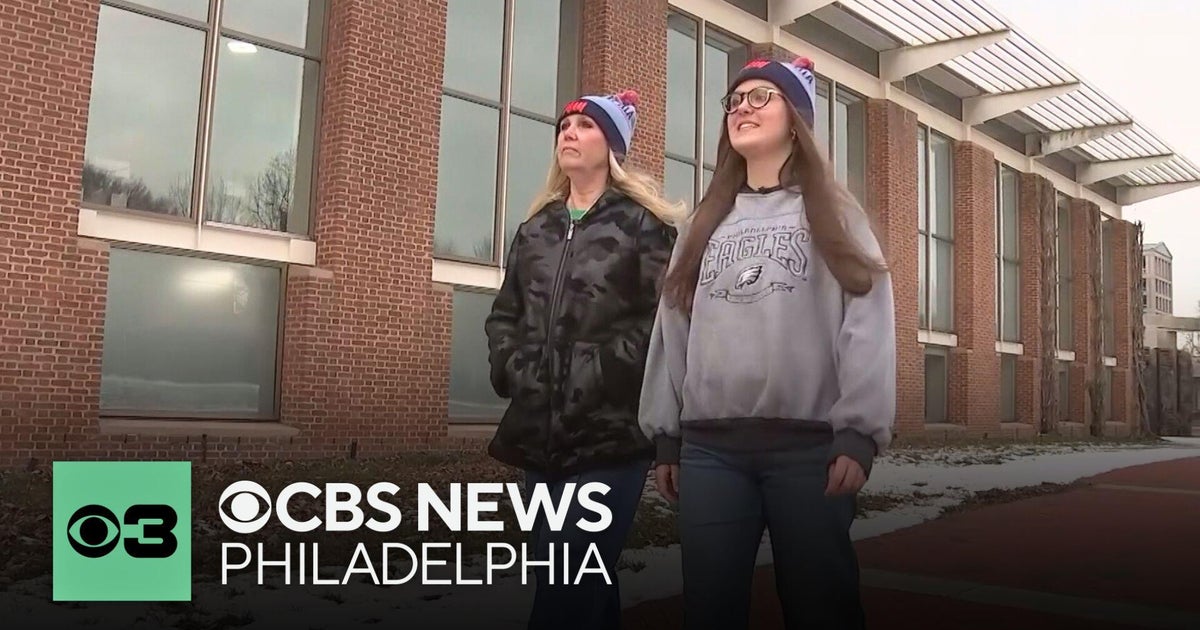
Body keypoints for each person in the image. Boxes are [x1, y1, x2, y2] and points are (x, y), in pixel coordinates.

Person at [638, 55, 896, 630]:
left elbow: (869, 325)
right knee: (708, 608)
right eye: (735, 100)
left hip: (807, 451)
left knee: (820, 605)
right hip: (710, 453)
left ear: (795, 118)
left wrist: (859, 431)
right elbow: (672, 330)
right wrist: (666, 436)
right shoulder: (703, 224)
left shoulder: (835, 216)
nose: (742, 109)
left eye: (761, 97)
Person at [484, 88, 684, 630]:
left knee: (570, 580)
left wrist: (594, 373)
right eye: (565, 124)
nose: (569, 132)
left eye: (585, 125)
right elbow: (505, 315)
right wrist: (514, 368)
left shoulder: (644, 228)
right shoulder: (535, 230)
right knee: (574, 576)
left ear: (612, 146)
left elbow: (659, 326)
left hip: (610, 438)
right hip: (538, 438)